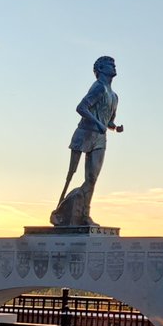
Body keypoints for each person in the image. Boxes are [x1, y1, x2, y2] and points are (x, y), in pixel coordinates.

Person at [52, 56, 122, 226]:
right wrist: (98, 123)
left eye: (114, 64)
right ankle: (60, 210)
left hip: (99, 138)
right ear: (100, 69)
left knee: (92, 177)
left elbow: (108, 121)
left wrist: (115, 127)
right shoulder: (99, 88)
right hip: (84, 133)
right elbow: (81, 107)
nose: (113, 66)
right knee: (71, 174)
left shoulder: (114, 96)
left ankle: (84, 214)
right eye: (109, 64)